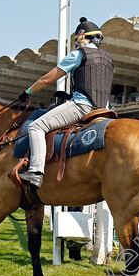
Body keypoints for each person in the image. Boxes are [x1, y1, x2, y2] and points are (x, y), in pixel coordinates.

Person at [18, 17, 114, 188]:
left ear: (83, 37)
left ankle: (36, 172)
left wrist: (28, 92)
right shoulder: (109, 58)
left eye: (78, 40)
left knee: (36, 127)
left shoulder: (78, 54)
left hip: (82, 107)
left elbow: (47, 80)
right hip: (106, 111)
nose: (78, 43)